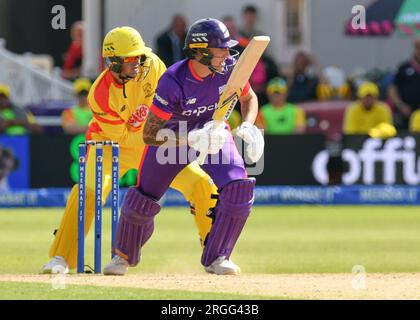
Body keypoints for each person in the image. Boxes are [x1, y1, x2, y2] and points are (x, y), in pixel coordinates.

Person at [40, 26, 218, 274]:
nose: (139, 64)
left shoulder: (153, 65)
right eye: (131, 60)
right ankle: (61, 258)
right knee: (88, 191)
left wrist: (189, 131)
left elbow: (172, 104)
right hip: (111, 145)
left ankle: (214, 253)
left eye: (140, 57)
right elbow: (125, 137)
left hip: (155, 143)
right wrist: (173, 137)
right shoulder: (99, 95)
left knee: (200, 182)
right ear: (113, 63)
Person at [104, 18, 264, 276]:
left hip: (213, 132)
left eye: (226, 49)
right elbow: (150, 133)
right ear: (199, 52)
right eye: (219, 50)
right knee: (143, 199)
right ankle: (122, 256)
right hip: (173, 138)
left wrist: (248, 125)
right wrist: (189, 138)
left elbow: (248, 97)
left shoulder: (231, 67)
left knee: (238, 189)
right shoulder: (173, 81)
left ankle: (218, 257)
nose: (226, 55)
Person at [388, 38, 420, 130]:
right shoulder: (403, 67)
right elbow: (392, 88)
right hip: (406, 111)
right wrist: (400, 105)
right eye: (418, 48)